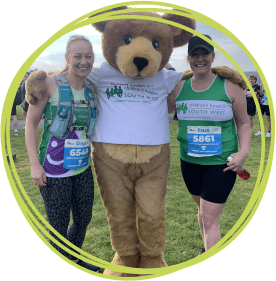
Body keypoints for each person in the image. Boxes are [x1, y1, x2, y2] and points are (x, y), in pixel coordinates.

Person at [167, 35, 251, 254]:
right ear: (188, 59)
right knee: (204, 212)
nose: (200, 59)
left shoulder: (230, 86)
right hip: (189, 162)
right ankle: (207, 250)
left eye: (205, 54)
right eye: (195, 55)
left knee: (209, 217)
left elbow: (243, 123)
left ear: (213, 56)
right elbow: (158, 106)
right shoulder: (179, 87)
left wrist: (243, 152)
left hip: (222, 163)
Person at [25, 35, 99, 272]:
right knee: (58, 225)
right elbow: (30, 125)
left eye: (88, 56)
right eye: (77, 56)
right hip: (54, 169)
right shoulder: (49, 83)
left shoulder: (91, 88)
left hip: (81, 168)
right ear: (67, 57)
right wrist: (34, 165)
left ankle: (73, 260)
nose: (83, 61)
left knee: (83, 219)